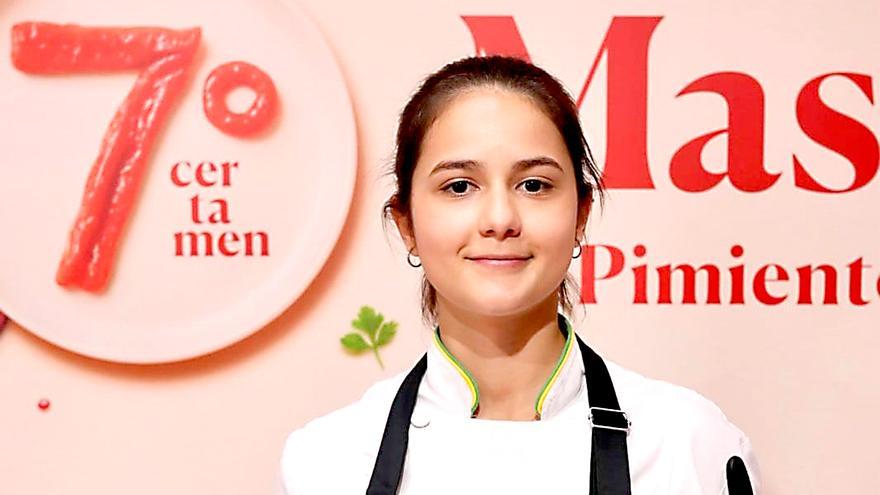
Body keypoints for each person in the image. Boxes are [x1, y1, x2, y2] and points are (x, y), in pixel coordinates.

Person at [278, 55, 761, 494]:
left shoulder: (689, 444)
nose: (500, 219)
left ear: (580, 215)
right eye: (459, 185)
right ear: (406, 223)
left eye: (534, 184)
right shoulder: (329, 460)